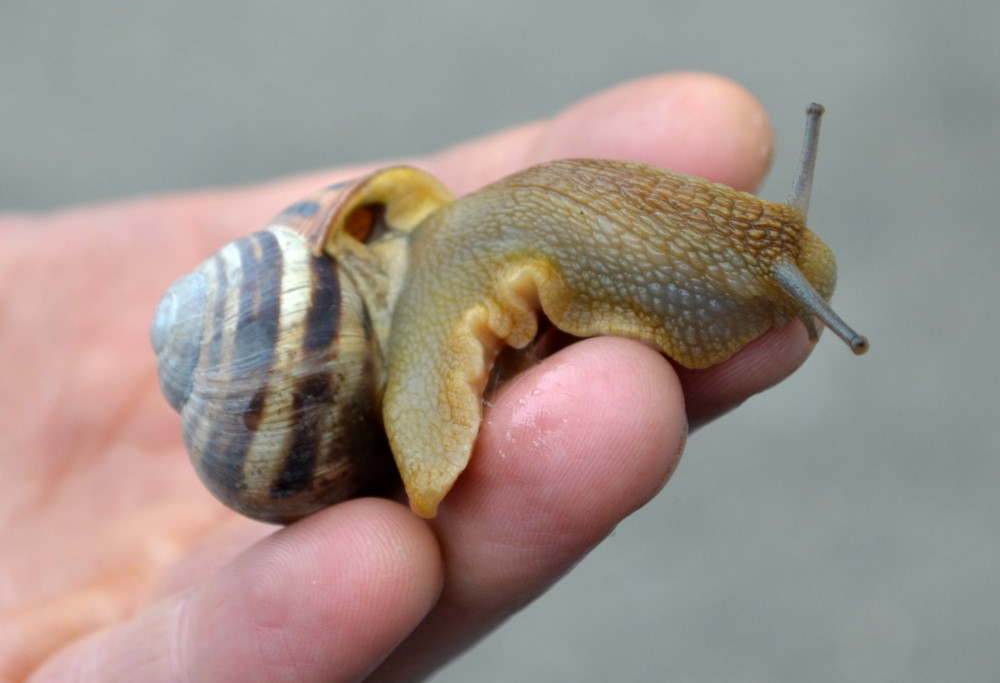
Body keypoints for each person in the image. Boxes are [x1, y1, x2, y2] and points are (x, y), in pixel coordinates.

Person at [0, 72, 812, 681]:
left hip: (389, 288)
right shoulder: (425, 263)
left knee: (523, 242)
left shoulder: (440, 245)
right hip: (345, 360)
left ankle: (761, 271)